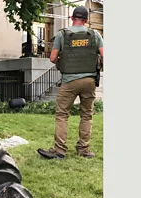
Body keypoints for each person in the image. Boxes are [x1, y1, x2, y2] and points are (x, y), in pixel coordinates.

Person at [37, 6, 104, 159]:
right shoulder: (95, 35)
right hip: (89, 81)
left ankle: (59, 150)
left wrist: (65, 60)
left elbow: (53, 58)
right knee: (87, 115)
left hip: (69, 80)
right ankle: (84, 150)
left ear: (72, 18)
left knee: (62, 115)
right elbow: (104, 55)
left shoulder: (62, 35)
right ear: (86, 20)